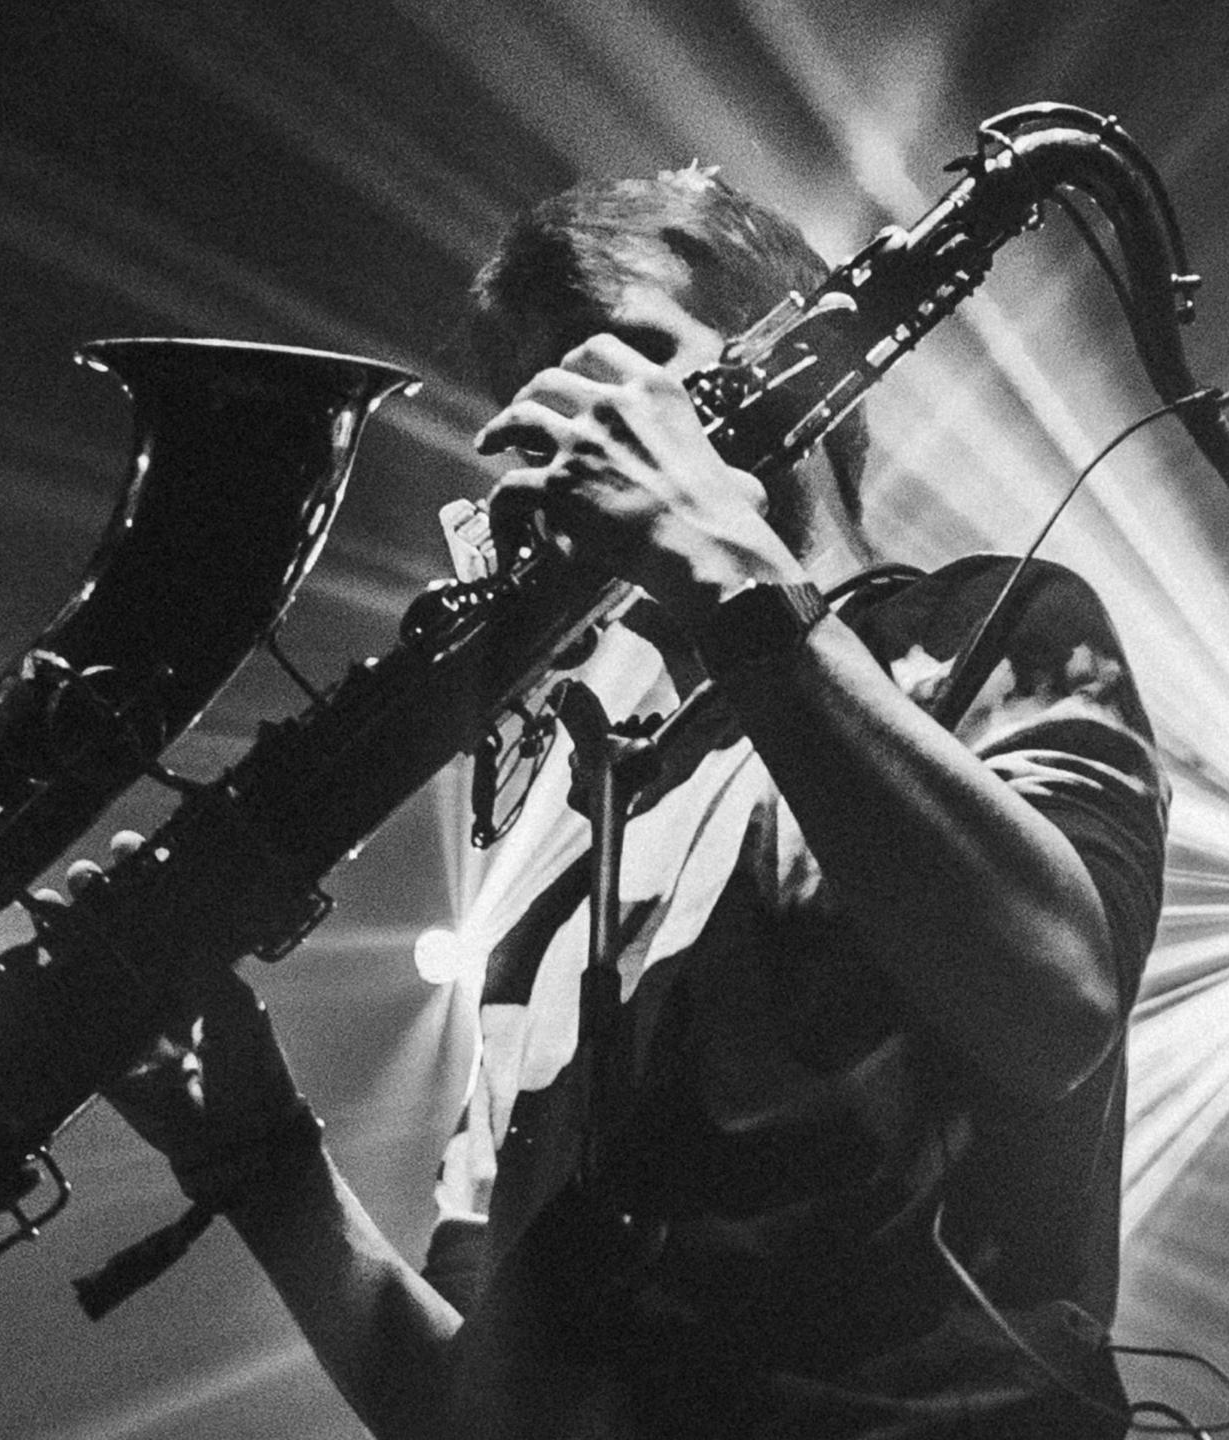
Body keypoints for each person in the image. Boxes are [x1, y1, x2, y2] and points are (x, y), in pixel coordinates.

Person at [100, 166, 1169, 1440]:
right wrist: (266, 1167)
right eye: (538, 403)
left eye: (627, 363)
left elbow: (1055, 1008)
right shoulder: (567, 818)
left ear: (808, 361)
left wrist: (728, 575)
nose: (574, 432)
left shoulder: (991, 629)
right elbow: (473, 1417)